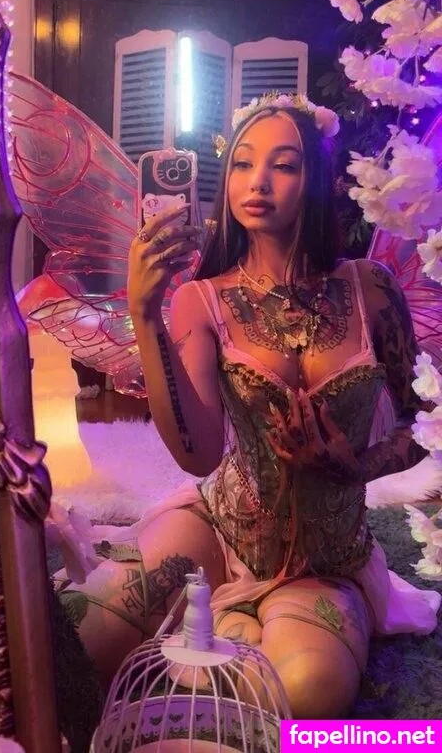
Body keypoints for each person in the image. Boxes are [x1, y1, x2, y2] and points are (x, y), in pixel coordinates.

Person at [56, 94, 440, 718]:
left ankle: (236, 643)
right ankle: (230, 634)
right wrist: (145, 313)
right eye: (242, 164)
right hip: (218, 525)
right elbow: (200, 454)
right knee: (80, 638)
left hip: (325, 557)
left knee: (309, 696)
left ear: (319, 180)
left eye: (283, 165)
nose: (257, 181)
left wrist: (358, 466)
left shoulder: (371, 288)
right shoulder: (202, 299)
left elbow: (425, 421)